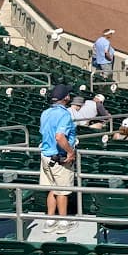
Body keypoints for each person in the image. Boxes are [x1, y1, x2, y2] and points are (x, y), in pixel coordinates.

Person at [39, 84, 78, 232]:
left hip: (45, 156)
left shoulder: (45, 112)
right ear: (66, 98)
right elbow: (59, 137)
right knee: (62, 191)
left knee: (52, 189)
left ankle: (50, 221)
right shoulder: (64, 114)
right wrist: (70, 152)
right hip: (59, 158)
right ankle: (62, 223)